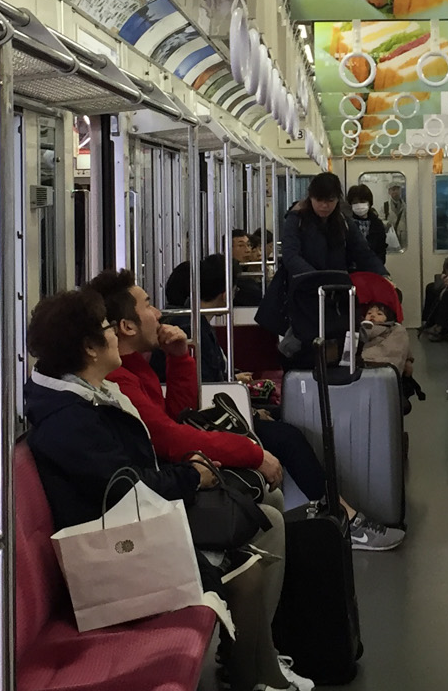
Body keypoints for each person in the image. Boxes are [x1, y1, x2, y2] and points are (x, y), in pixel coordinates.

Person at [24, 287, 338, 691]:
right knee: (248, 566)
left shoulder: (92, 394)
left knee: (254, 537)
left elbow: (167, 427)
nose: (115, 335)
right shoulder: (72, 420)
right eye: (107, 328)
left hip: (131, 522)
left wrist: (179, 366)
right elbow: (127, 485)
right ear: (90, 348)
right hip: (111, 550)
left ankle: (256, 679)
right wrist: (191, 477)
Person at [93, 269, 405, 554]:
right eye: (148, 305)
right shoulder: (119, 379)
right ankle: (339, 516)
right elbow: (170, 439)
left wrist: (179, 358)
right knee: (282, 446)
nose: (158, 313)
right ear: (127, 326)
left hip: (175, 465)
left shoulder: (134, 367)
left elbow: (179, 414)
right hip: (166, 483)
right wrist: (252, 452)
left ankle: (336, 514)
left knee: (280, 459)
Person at [258, 173, 387, 369]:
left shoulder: (343, 221)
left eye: (330, 200)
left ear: (338, 200)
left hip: (338, 293)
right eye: (319, 200)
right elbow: (291, 255)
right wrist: (316, 279)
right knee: (306, 343)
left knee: (342, 338)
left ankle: (338, 375)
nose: (324, 206)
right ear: (310, 197)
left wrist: (383, 275)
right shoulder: (296, 219)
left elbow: (362, 252)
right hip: (304, 292)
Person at [346, 185, 389, 263]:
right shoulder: (346, 224)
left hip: (373, 266)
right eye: (355, 202)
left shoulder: (377, 224)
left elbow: (381, 251)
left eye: (362, 202)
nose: (359, 205)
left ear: (369, 203)